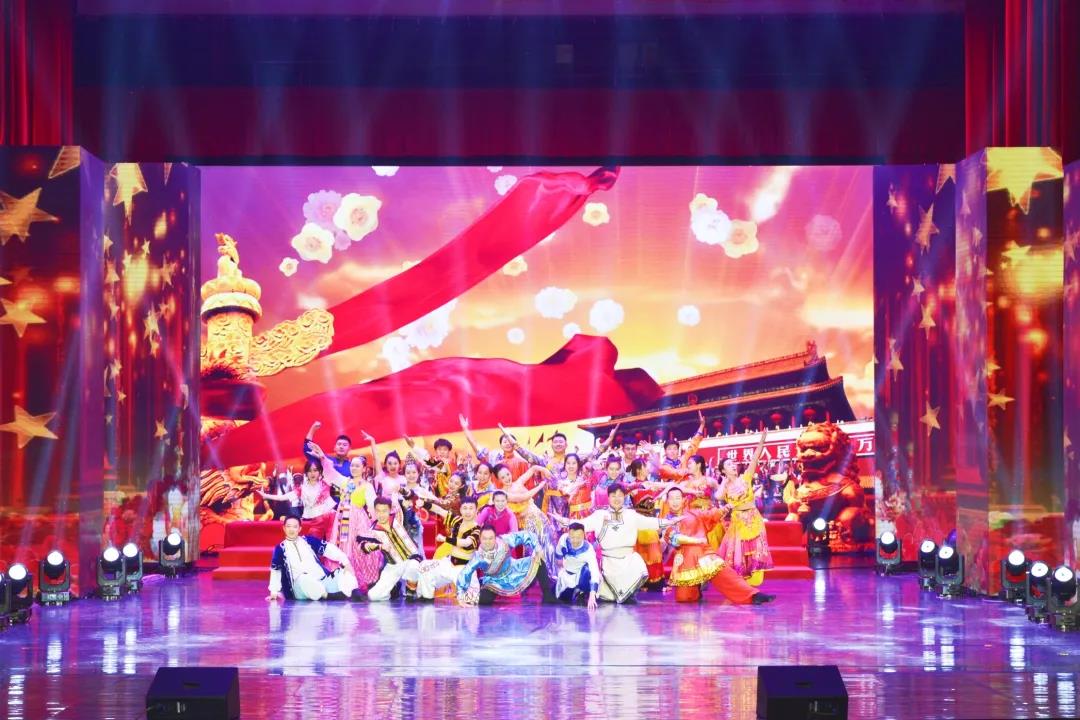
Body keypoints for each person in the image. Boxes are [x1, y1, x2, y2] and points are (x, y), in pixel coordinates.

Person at [563, 484, 680, 604]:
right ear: (608, 497)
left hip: (628, 560)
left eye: (620, 496)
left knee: (638, 564)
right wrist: (564, 521)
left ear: (624, 497)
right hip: (609, 563)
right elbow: (582, 524)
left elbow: (649, 522)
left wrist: (670, 522)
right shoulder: (599, 515)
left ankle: (628, 593)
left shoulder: (631, 515)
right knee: (608, 596)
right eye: (613, 496)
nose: (617, 499)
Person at [661, 487, 774, 604]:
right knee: (684, 598)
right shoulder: (666, 522)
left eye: (677, 498)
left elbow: (710, 515)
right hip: (686, 561)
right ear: (667, 501)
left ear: (683, 500)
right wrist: (696, 541)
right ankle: (697, 589)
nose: (675, 501)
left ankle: (753, 595)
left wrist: (723, 510)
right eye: (672, 499)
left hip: (703, 554)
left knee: (725, 574)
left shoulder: (693, 513)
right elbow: (675, 539)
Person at [717, 429, 775, 585]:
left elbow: (755, 458)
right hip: (738, 521)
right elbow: (718, 496)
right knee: (740, 551)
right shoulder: (725, 486)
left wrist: (762, 440)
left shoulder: (746, 477)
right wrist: (724, 481)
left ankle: (755, 582)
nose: (733, 465)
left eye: (733, 463)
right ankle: (743, 583)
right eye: (729, 464)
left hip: (753, 517)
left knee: (757, 548)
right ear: (723, 470)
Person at [267, 516, 363, 601]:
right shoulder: (280, 548)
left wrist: (346, 563)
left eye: (295, 527)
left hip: (323, 581)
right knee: (304, 578)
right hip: (301, 587)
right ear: (284, 528)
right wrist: (274, 592)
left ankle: (354, 592)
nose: (291, 529)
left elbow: (329, 549)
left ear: (299, 529)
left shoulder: (308, 540)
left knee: (344, 571)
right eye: (288, 526)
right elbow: (276, 570)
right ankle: (328, 596)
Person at [455, 526, 557, 606]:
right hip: (494, 582)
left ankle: (547, 595)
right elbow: (465, 573)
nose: (487, 542)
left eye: (491, 538)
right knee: (483, 601)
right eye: (484, 539)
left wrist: (538, 549)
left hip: (515, 570)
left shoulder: (504, 540)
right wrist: (461, 596)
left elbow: (526, 535)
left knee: (538, 561)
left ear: (495, 538)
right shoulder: (478, 557)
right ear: (480, 539)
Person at [414, 496, 482, 599]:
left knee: (471, 600)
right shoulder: (457, 520)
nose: (468, 511)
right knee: (424, 567)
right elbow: (439, 510)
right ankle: (426, 598)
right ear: (460, 510)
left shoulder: (477, 529)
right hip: (449, 563)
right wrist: (424, 504)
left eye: (471, 508)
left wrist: (445, 539)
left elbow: (466, 543)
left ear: (476, 510)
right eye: (465, 508)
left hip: (464, 568)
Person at [359, 497, 424, 601]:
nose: (381, 514)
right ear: (375, 511)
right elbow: (364, 546)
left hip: (411, 558)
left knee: (414, 567)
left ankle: (411, 592)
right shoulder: (373, 530)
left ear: (389, 510)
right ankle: (394, 588)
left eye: (384, 511)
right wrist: (379, 546)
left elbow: (410, 501)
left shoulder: (398, 518)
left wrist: (410, 502)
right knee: (374, 596)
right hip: (394, 565)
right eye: (378, 511)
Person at [258, 459, 337, 540]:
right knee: (314, 543)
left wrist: (322, 457)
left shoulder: (326, 483)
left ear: (320, 472)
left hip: (331, 519)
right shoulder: (302, 489)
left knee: (331, 542)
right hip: (317, 522)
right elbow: (283, 497)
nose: (312, 473)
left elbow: (330, 467)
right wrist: (265, 495)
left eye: (315, 470)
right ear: (306, 473)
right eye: (309, 471)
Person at [553, 523, 600, 609]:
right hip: (565, 576)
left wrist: (592, 596)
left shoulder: (588, 550)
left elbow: (595, 572)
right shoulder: (563, 539)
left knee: (587, 570)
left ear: (583, 536)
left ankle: (582, 592)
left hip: (580, 577)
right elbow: (558, 558)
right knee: (562, 599)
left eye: (578, 537)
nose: (575, 541)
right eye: (572, 537)